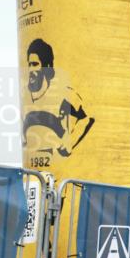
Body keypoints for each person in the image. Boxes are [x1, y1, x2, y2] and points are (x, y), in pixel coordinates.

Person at [23, 37, 94, 165]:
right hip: (36, 176)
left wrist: (69, 142)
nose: (31, 70)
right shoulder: (26, 98)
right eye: (29, 65)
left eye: (35, 64)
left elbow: (87, 117)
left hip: (63, 175)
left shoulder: (63, 93)